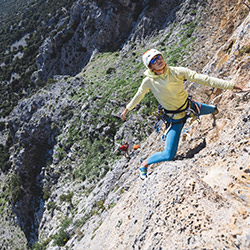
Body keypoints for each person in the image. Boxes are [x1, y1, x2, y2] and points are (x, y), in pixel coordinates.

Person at [120, 49, 250, 180]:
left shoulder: (177, 71)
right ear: (150, 66)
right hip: (175, 118)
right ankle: (144, 164)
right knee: (168, 155)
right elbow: (139, 95)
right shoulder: (149, 82)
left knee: (213, 109)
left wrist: (236, 87)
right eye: (154, 60)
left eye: (159, 57)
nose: (159, 60)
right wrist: (126, 109)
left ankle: (213, 111)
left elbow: (205, 79)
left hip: (189, 108)